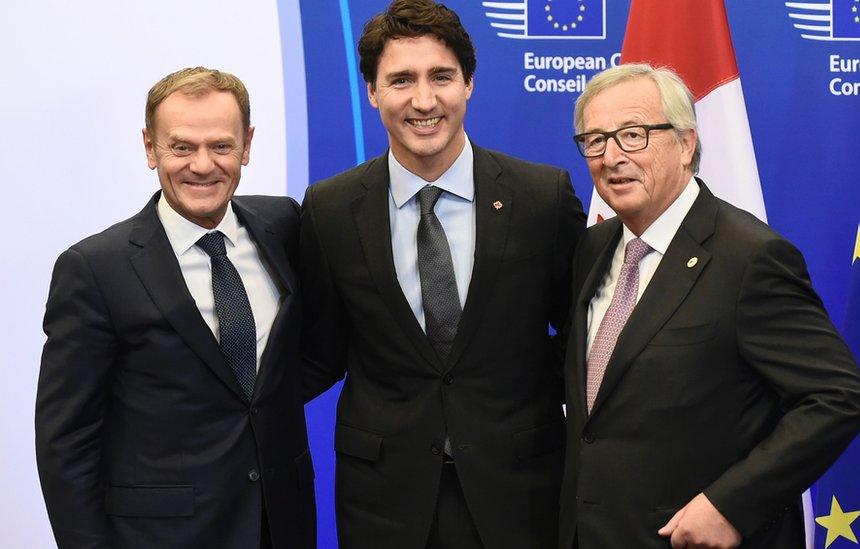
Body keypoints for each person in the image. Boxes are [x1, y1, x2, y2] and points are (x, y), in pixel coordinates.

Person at [300, 1, 585, 547]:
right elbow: (321, 350)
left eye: (441, 77)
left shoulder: (540, 197)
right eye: (401, 79)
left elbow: (581, 336)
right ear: (372, 92)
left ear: (469, 84)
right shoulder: (329, 208)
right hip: (385, 497)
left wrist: (513, 394)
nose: (423, 100)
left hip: (522, 488)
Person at [559, 64, 860, 549]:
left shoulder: (750, 258)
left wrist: (731, 504)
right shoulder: (593, 247)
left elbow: (837, 397)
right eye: (595, 140)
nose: (612, 157)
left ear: (685, 144)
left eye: (633, 135)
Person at [35, 67, 315, 549]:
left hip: (281, 525)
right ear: (150, 148)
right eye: (182, 147)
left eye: (221, 146)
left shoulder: (283, 223)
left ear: (247, 145)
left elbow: (301, 360)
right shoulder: (95, 268)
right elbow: (66, 442)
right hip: (160, 535)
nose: (202, 166)